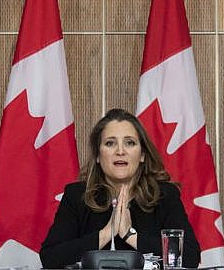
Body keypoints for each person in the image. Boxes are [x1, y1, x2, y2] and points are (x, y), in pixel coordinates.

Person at [40, 108, 201, 268]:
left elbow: (190, 256)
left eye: (129, 143)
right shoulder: (77, 196)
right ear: (97, 155)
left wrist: (130, 235)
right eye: (110, 143)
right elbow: (50, 257)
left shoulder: (164, 196)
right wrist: (106, 233)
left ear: (142, 154)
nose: (120, 151)